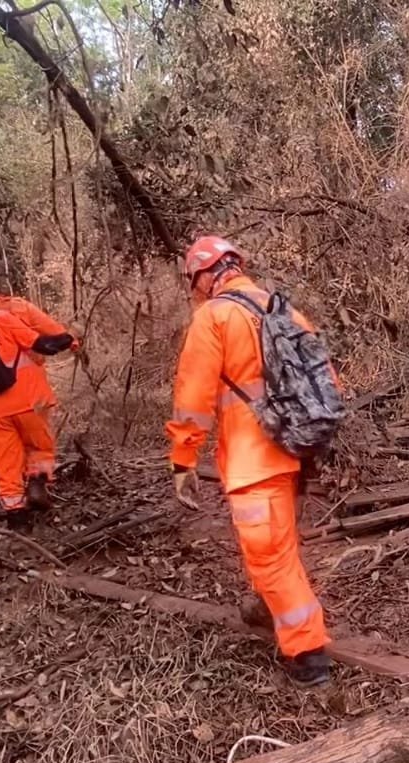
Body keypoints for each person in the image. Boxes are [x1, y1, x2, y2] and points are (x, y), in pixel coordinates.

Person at [165, 236, 332, 686]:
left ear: (202, 275)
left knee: (270, 558)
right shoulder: (283, 309)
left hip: (252, 462)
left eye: (194, 281)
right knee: (280, 548)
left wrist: (183, 459)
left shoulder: (215, 316)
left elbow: (193, 398)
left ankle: (309, 659)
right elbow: (326, 380)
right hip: (294, 454)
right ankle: (269, 609)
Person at [0, 288, 76, 528]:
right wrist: (66, 339)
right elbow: (41, 344)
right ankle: (36, 481)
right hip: (29, 401)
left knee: (5, 461)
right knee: (39, 446)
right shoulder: (0, 317)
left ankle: (16, 515)